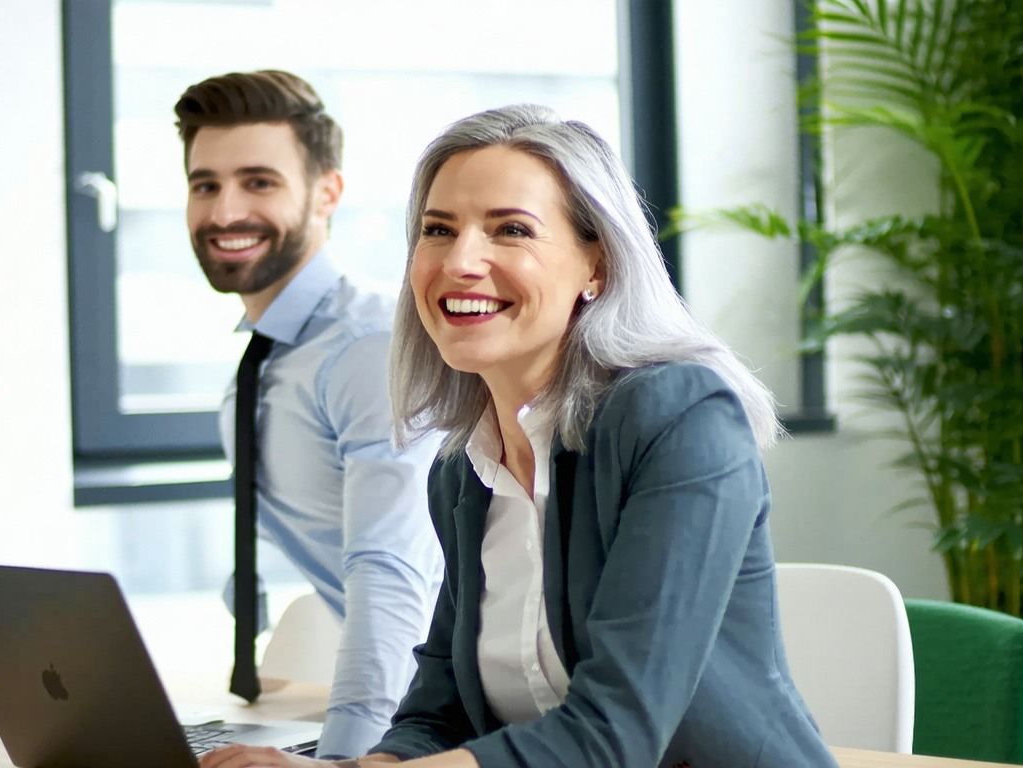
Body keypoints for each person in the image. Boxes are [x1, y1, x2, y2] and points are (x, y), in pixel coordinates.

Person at [198, 104, 839, 767]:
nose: (462, 261)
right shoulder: (462, 468)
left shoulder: (680, 417)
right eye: (438, 230)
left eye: (510, 230)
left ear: (598, 265)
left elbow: (615, 733)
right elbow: (435, 713)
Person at [173, 70, 444, 760]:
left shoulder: (365, 348)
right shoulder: (265, 360)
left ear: (329, 192)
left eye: (258, 182)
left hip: (449, 724)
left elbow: (388, 574)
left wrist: (339, 763)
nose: (225, 210)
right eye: (206, 184)